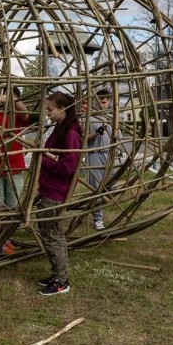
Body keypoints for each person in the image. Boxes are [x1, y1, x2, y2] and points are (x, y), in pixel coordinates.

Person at [36, 91, 82, 296]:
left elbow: (67, 166)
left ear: (63, 109)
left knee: (52, 233)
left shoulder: (70, 134)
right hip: (49, 187)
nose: (47, 113)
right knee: (51, 231)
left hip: (56, 191)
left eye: (50, 109)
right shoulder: (61, 129)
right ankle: (57, 274)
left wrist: (44, 160)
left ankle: (61, 281)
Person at [0, 87, 29, 255]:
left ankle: (4, 237)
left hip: (15, 167)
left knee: (12, 205)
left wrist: (13, 100)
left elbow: (25, 114)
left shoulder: (17, 115)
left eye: (12, 97)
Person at [85, 88, 116, 230]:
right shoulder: (90, 118)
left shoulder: (112, 117)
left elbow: (117, 137)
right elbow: (83, 139)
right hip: (95, 154)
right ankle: (98, 219)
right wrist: (96, 134)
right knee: (96, 187)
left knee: (113, 184)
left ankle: (97, 205)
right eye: (99, 102)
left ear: (108, 102)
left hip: (109, 154)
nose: (101, 105)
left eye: (104, 102)